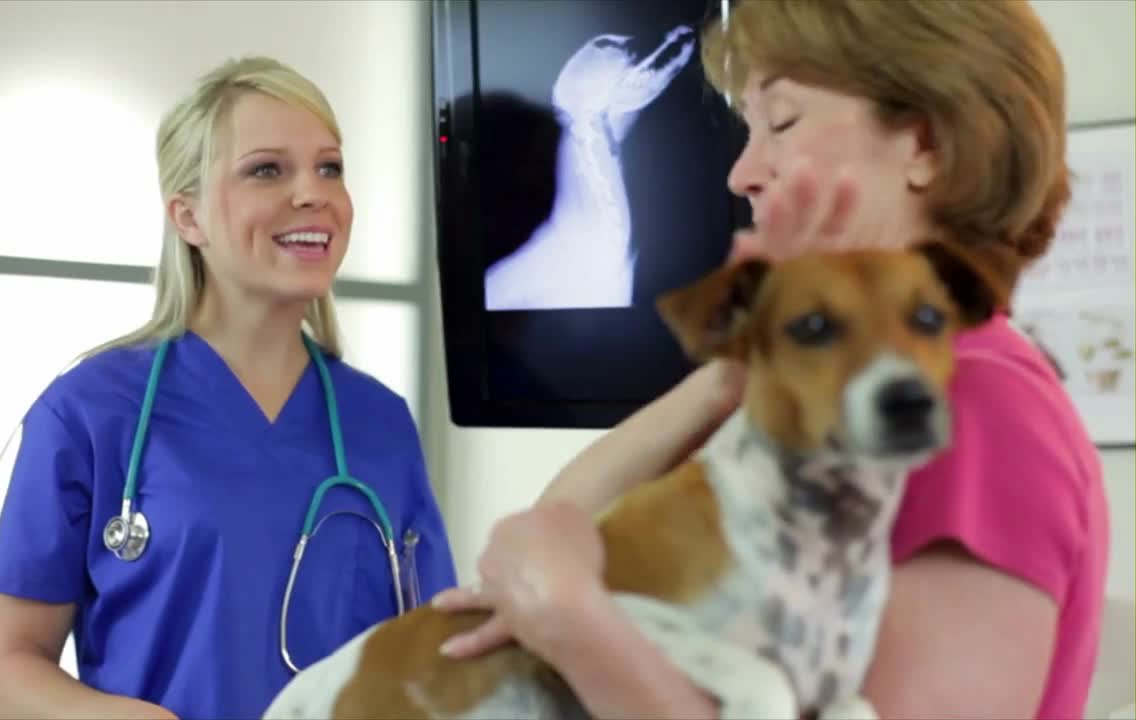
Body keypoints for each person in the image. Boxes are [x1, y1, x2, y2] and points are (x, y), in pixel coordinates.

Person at [433, 2, 1109, 719]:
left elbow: (557, 582)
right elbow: (570, 535)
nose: (742, 173)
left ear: (926, 143)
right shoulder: (839, 387)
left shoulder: (970, 399)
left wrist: (574, 627)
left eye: (781, 122)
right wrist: (732, 373)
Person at [0, 56, 456, 720]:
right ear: (188, 217)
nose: (313, 192)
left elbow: (429, 648)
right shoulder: (91, 412)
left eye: (330, 167)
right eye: (267, 169)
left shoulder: (380, 420)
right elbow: (7, 670)